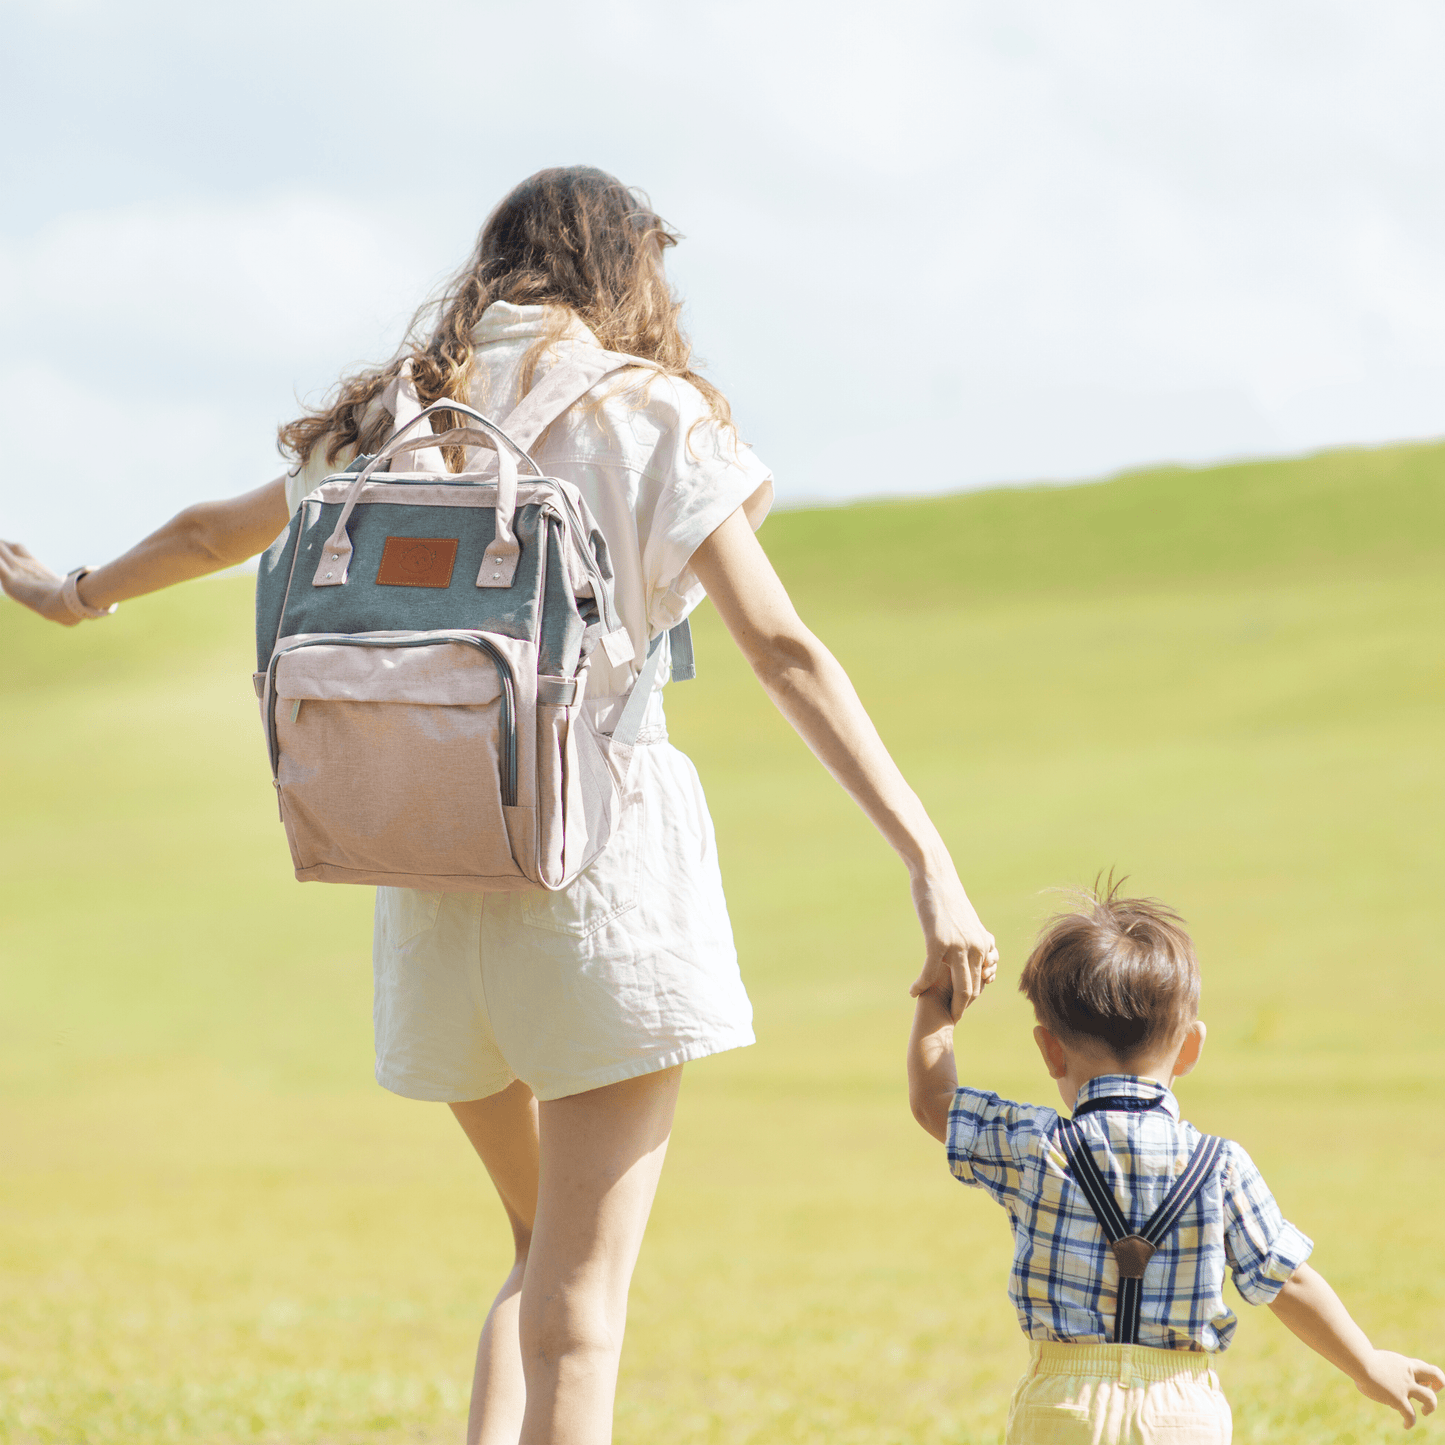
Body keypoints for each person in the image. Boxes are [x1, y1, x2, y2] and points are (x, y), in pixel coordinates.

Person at [0, 166, 999, 1445]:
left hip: (426, 881)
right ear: (623, 271)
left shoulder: (396, 414)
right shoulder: (651, 416)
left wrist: (74, 591)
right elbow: (783, 649)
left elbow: (210, 532)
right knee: (580, 1308)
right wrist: (929, 860)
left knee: (533, 1249)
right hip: (598, 888)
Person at [907, 878, 1442, 1443]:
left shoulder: (1037, 1146)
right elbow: (1288, 1280)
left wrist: (939, 996)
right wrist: (1367, 1362)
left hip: (1061, 1406)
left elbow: (933, 1103)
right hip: (1181, 1413)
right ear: (1190, 1047)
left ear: (1049, 1049)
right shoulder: (1221, 1166)